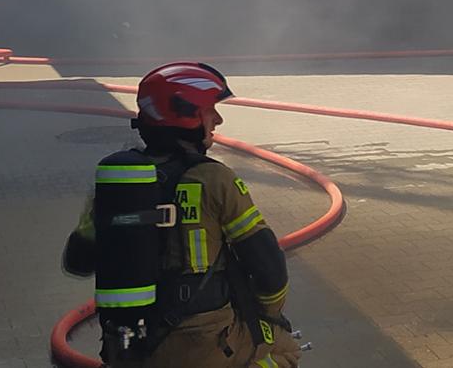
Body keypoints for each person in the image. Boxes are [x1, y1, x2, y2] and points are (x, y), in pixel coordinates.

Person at [61, 62, 301, 368]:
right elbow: (269, 267)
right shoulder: (215, 179)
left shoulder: (118, 185)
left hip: (126, 346)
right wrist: (269, 315)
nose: (218, 119)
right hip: (201, 343)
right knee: (286, 350)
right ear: (186, 114)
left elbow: (76, 262)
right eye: (210, 110)